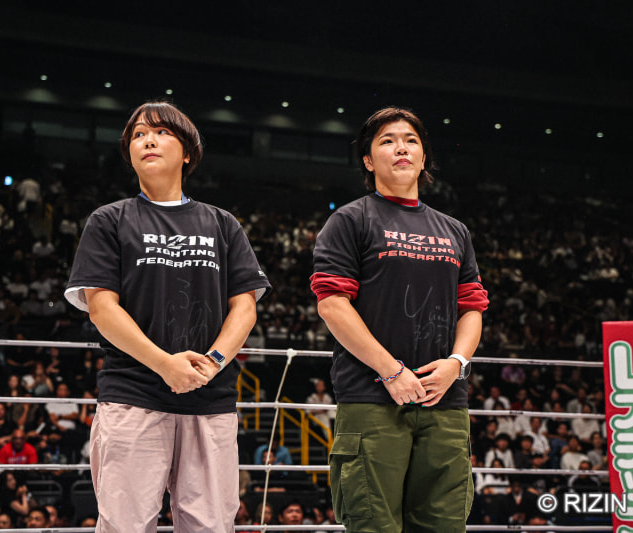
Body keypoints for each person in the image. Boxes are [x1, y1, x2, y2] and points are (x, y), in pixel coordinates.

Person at [64, 100, 271, 532]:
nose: (148, 140)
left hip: (210, 399)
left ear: (188, 153)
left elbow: (245, 306)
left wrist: (213, 362)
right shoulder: (109, 220)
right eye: (138, 135)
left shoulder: (222, 224)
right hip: (132, 394)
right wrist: (164, 364)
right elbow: (102, 308)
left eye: (161, 132)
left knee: (211, 526)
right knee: (124, 526)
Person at [311, 106, 488, 532]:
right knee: (373, 523)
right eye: (387, 141)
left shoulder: (455, 230)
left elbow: (472, 308)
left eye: (411, 140)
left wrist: (456, 364)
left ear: (424, 157)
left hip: (445, 400)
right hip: (372, 398)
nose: (401, 148)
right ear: (368, 160)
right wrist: (391, 372)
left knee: (445, 523)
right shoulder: (350, 219)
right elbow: (332, 304)